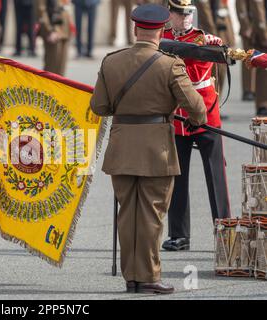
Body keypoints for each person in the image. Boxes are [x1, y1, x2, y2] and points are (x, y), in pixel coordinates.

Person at [90, 4, 207, 294]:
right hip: (157, 150)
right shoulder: (170, 64)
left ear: (134, 29)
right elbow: (197, 109)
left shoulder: (111, 61)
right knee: (152, 214)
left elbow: (99, 106)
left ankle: (132, 277)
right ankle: (149, 276)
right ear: (162, 31)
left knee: (127, 213)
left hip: (122, 146)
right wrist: (191, 118)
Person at [162, 0, 231, 252]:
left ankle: (225, 230)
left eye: (189, 12)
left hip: (205, 113)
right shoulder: (163, 36)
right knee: (177, 178)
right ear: (170, 13)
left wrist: (217, 47)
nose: (186, 17)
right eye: (180, 13)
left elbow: (206, 72)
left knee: (216, 177)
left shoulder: (203, 38)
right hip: (178, 116)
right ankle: (179, 234)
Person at [37, 0, 72, 76]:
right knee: (52, 67)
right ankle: (47, 87)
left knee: (61, 68)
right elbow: (41, 11)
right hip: (53, 30)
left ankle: (59, 87)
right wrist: (50, 30)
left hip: (65, 29)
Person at [236, 0, 256, 101]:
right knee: (249, 59)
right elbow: (241, 8)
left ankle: (256, 89)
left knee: (260, 59)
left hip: (259, 28)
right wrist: (246, 27)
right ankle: (248, 89)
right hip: (249, 29)